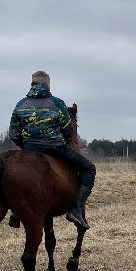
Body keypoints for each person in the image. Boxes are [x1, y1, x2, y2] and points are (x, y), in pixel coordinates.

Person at [8, 70, 96, 229]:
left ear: (32, 84)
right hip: (55, 147)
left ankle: (16, 211)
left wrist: (27, 146)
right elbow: (68, 130)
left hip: (29, 149)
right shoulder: (57, 103)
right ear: (47, 85)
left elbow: (13, 134)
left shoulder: (20, 105)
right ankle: (76, 210)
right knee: (89, 169)